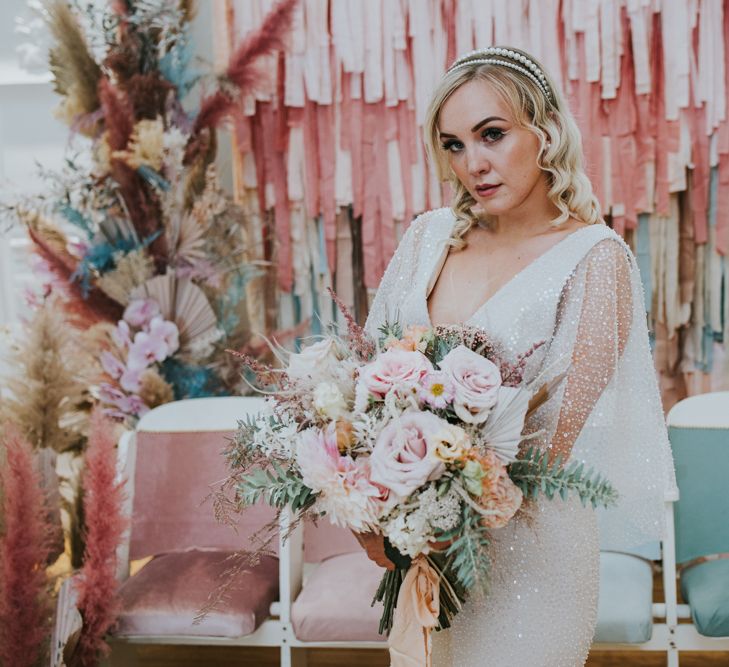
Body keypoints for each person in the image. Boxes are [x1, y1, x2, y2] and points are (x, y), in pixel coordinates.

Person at [360, 46, 677, 666]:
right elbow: (366, 390)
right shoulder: (427, 239)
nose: (472, 164)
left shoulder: (594, 258)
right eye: (453, 145)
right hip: (422, 553)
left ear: (546, 129)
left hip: (531, 557)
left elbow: (551, 443)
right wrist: (373, 508)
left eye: (492, 135)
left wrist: (436, 518)